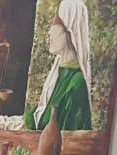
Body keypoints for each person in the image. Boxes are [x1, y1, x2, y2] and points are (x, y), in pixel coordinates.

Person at [26, 0, 94, 131]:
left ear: (70, 33)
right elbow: (37, 122)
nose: (50, 32)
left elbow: (65, 138)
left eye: (56, 24)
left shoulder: (76, 84)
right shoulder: (58, 74)